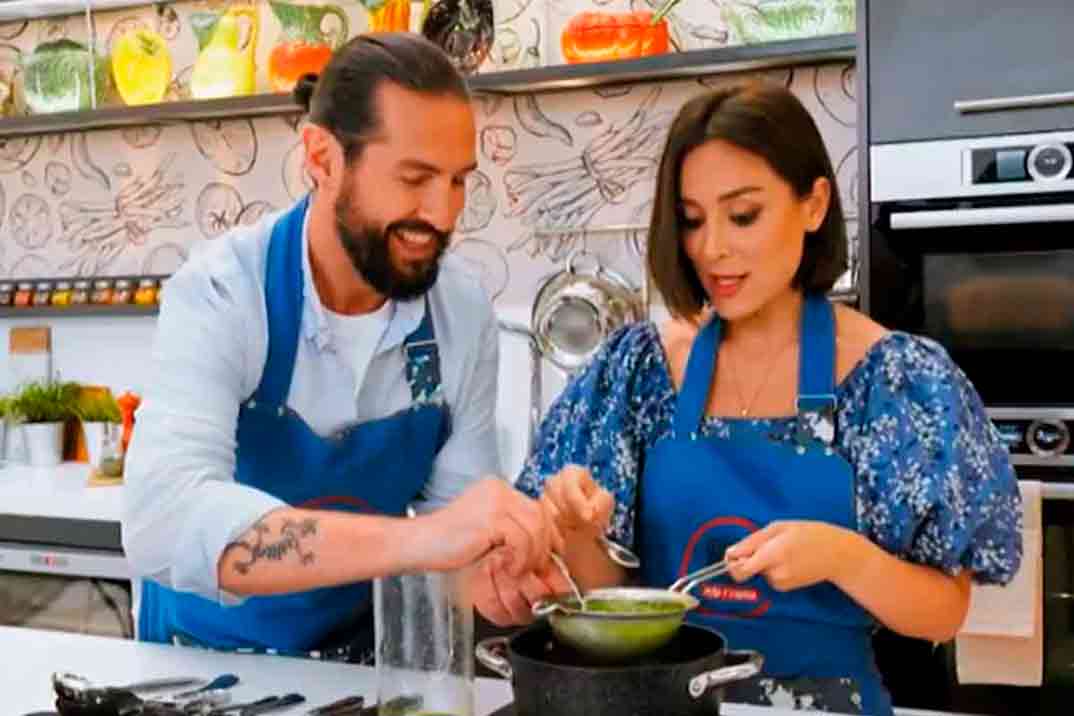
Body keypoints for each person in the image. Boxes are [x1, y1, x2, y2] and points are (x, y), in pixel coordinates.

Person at [514, 83, 1023, 714]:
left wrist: (842, 557)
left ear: (813, 205)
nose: (711, 249)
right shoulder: (638, 368)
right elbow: (611, 597)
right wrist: (577, 534)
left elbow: (943, 613)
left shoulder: (895, 380)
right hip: (664, 703)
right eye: (693, 220)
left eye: (743, 215)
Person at [122, 33, 563, 664]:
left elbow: (455, 536)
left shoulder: (459, 314)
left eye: (459, 181)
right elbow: (161, 521)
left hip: (358, 674)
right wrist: (423, 540)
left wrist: (496, 574)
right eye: (414, 179)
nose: (442, 215)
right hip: (201, 670)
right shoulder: (225, 292)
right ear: (323, 158)